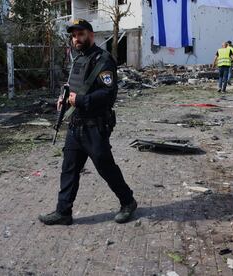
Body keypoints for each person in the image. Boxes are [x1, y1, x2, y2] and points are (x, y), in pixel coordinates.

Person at [39, 19, 137, 226]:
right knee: (69, 169)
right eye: (74, 35)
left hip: (95, 126)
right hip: (76, 125)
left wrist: (80, 100)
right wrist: (64, 97)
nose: (77, 39)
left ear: (91, 35)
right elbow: (73, 85)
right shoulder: (77, 58)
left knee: (105, 167)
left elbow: (109, 94)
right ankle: (63, 212)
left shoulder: (103, 60)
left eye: (80, 34)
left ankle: (128, 202)